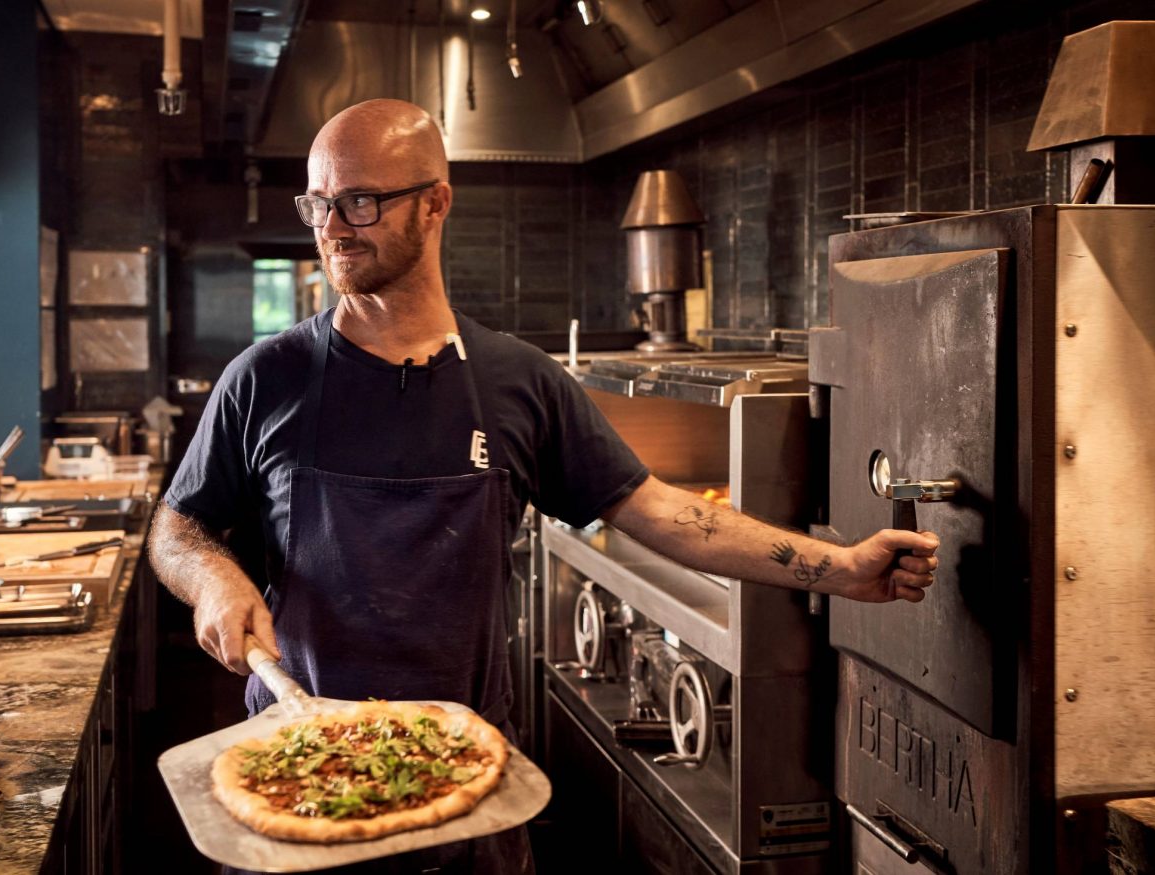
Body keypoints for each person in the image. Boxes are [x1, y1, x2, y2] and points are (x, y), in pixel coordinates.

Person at [149, 98, 939, 874]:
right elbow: (176, 529)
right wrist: (213, 578)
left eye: (358, 201)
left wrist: (838, 568)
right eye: (318, 203)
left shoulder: (517, 382)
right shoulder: (265, 378)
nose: (331, 227)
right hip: (299, 768)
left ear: (436, 205)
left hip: (467, 784)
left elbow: (661, 512)